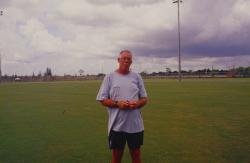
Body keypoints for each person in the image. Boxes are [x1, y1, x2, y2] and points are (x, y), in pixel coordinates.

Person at [96, 50, 148, 163]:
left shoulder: (137, 77)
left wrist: (137, 104)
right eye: (124, 58)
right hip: (117, 126)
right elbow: (102, 99)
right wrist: (117, 104)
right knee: (116, 156)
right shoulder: (109, 77)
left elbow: (144, 99)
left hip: (135, 125)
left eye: (128, 59)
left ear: (131, 62)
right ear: (118, 60)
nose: (126, 60)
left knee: (136, 155)